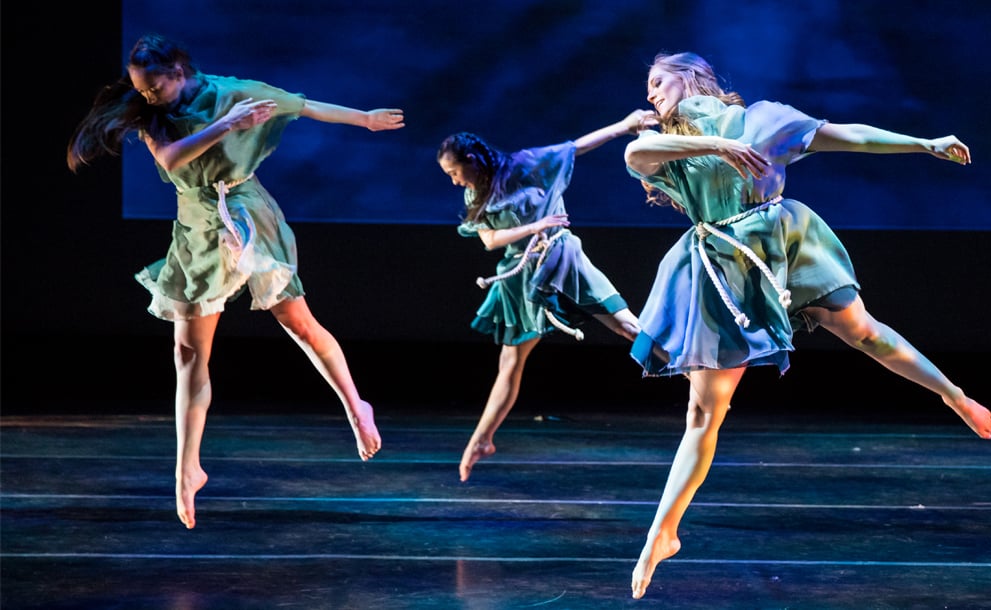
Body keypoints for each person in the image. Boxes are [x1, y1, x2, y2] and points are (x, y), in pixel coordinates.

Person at [623, 51, 991, 599]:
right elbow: (636, 151)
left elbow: (851, 137)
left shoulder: (765, 119)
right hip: (719, 262)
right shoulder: (672, 146)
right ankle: (664, 531)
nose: (652, 94)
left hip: (783, 244)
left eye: (658, 82)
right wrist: (717, 145)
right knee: (704, 410)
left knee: (863, 332)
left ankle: (953, 395)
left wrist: (923, 144)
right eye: (648, 88)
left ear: (691, 77)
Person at [66, 34, 403, 529]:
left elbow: (304, 106)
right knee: (188, 354)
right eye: (141, 89)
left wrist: (366, 119)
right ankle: (187, 469)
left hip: (246, 214)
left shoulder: (238, 92)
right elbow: (172, 159)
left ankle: (356, 405)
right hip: (197, 226)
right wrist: (225, 126)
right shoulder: (152, 114)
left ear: (179, 71)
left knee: (298, 322)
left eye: (155, 86)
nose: (147, 96)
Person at [436, 110, 657, 481]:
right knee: (510, 362)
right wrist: (533, 225)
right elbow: (490, 240)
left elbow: (575, 148)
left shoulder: (526, 165)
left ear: (471, 160)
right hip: (523, 275)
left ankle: (693, 374)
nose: (456, 182)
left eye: (455, 173)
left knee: (625, 324)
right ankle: (481, 439)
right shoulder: (479, 193)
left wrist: (624, 126)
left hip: (563, 258)